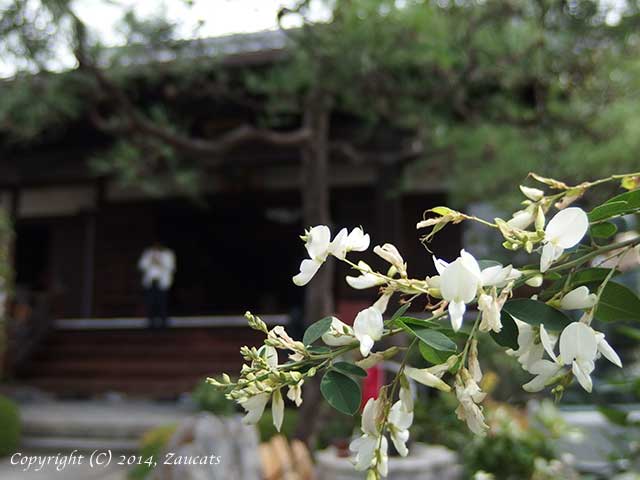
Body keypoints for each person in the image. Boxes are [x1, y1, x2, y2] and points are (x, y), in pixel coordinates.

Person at [138, 242, 176, 329]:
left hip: (162, 282)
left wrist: (160, 262)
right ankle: (150, 322)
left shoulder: (168, 254)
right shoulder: (148, 253)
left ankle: (164, 322)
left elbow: (171, 267)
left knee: (163, 302)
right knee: (150, 302)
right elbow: (141, 266)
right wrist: (151, 261)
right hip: (151, 282)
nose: (157, 246)